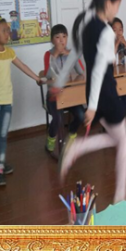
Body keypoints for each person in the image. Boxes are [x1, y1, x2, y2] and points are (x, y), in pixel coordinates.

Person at [52, 0, 126, 204]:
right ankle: (120, 196)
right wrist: (93, 107)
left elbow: (74, 54)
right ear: (108, 3)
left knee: (118, 138)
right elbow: (97, 71)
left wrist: (60, 81)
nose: (117, 10)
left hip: (95, 93)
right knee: (124, 139)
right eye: (117, 5)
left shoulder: (86, 25)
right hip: (105, 93)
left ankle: (77, 148)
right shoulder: (105, 32)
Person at [0, 15, 43, 186]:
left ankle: (0, 168)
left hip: (7, 101)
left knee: (2, 135)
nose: (8, 33)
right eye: (4, 31)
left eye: (8, 30)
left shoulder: (9, 52)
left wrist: (37, 78)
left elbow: (23, 66)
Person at [43, 24, 86, 155]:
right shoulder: (48, 54)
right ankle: (51, 138)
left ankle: (71, 134)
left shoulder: (70, 53)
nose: (61, 40)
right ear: (52, 40)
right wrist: (55, 55)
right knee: (58, 119)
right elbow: (48, 75)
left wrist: (72, 55)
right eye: (57, 37)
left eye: (64, 37)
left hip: (69, 95)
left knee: (81, 115)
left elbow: (81, 72)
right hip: (53, 96)